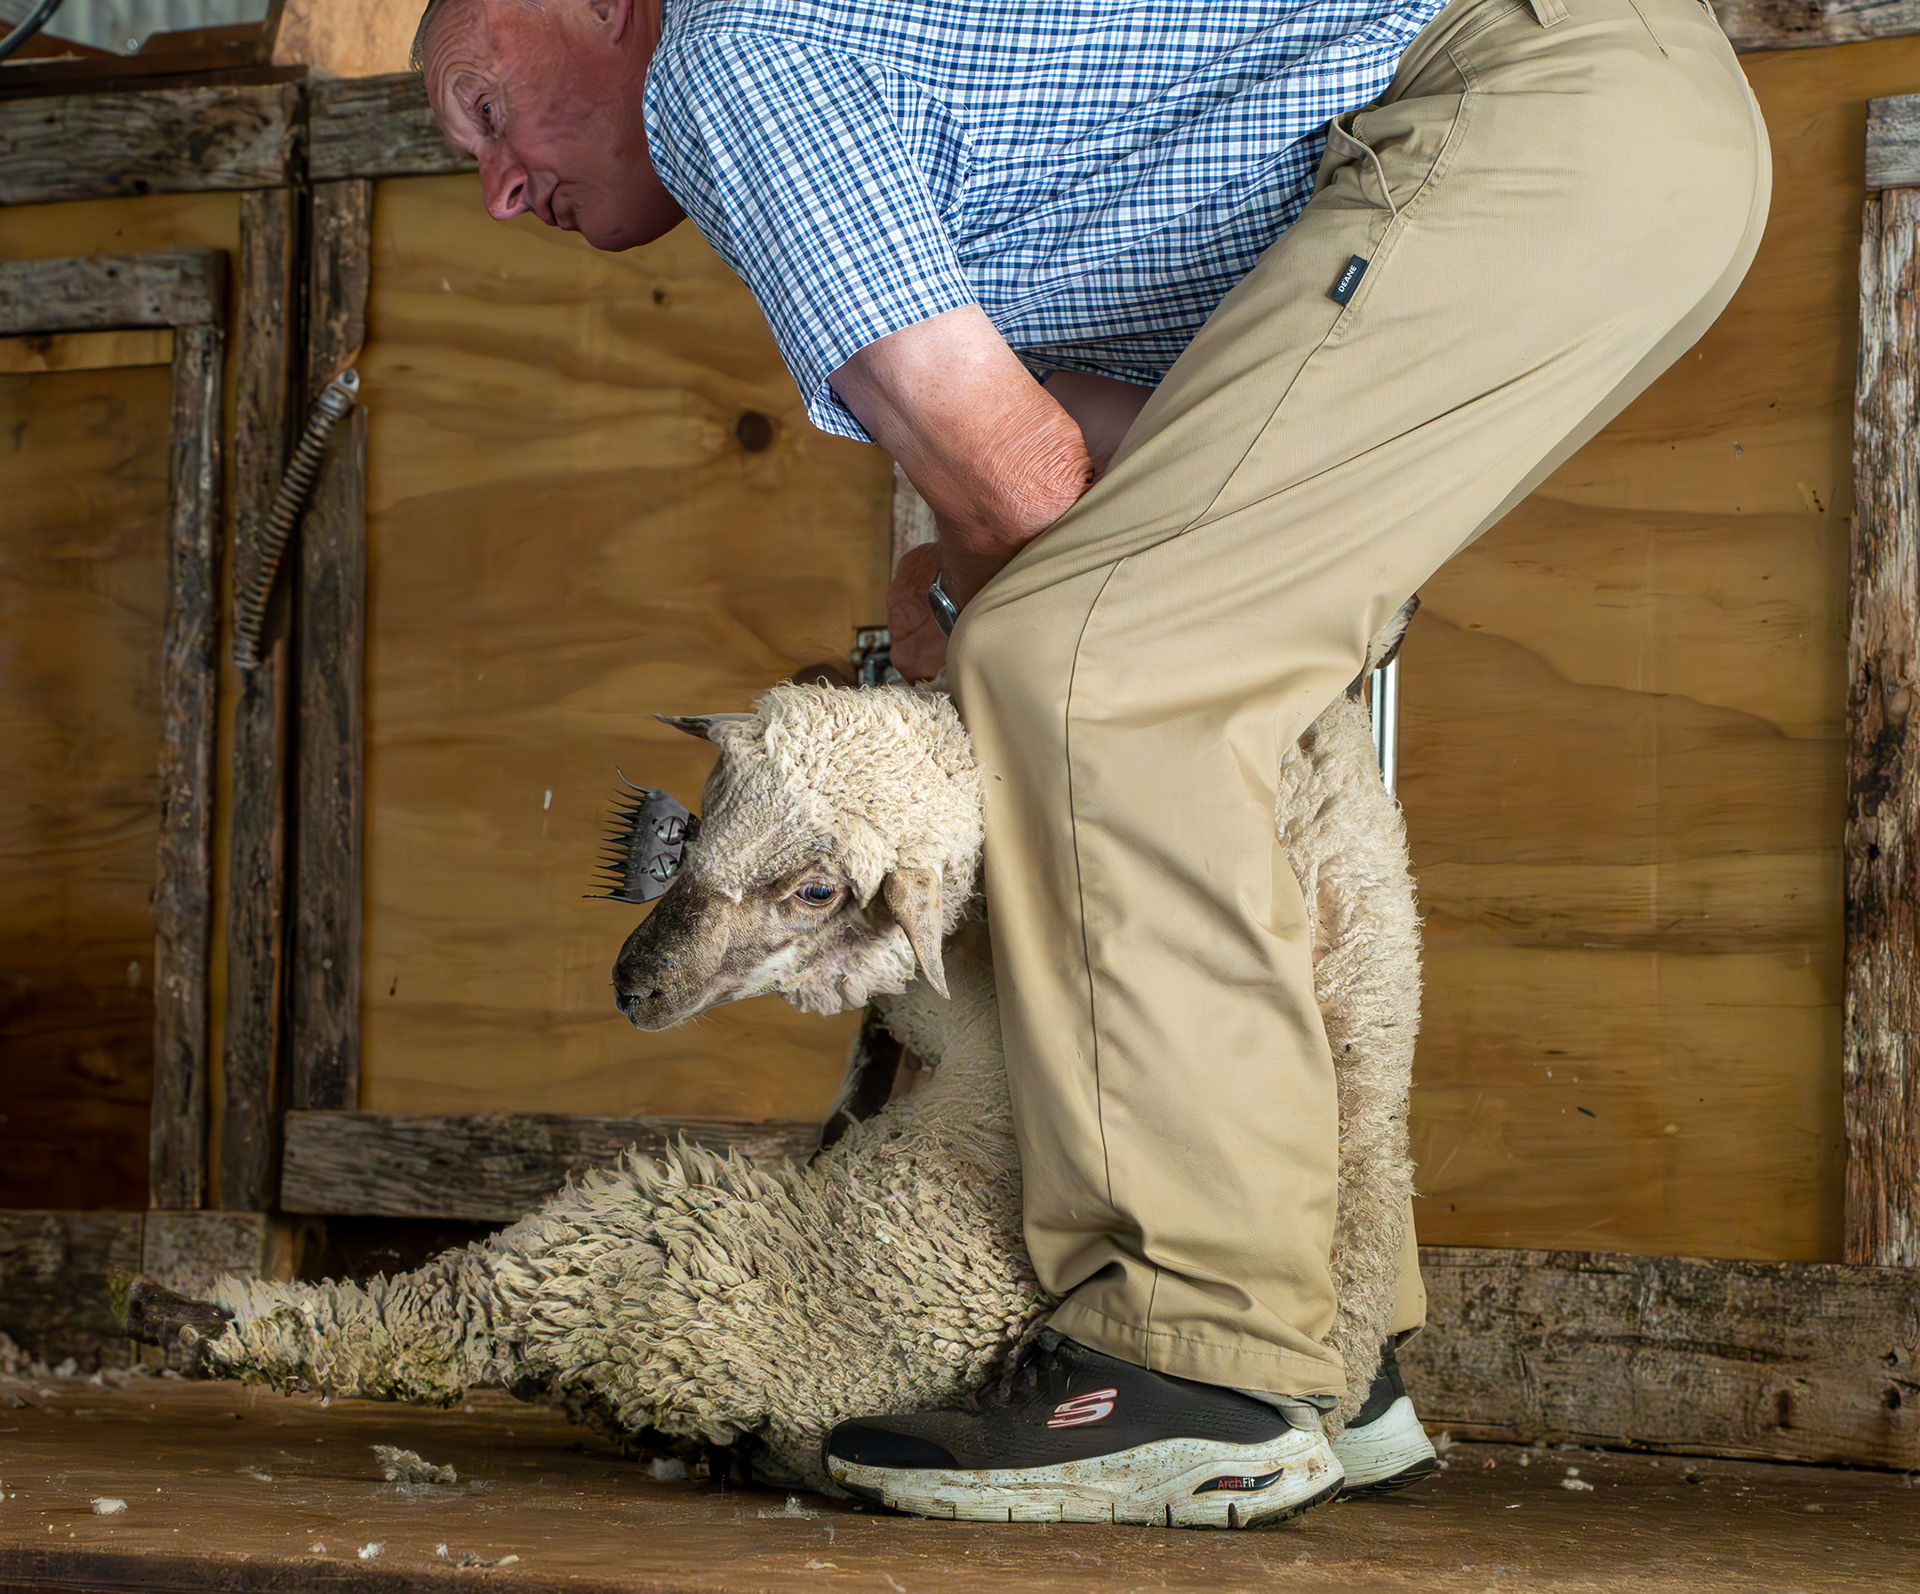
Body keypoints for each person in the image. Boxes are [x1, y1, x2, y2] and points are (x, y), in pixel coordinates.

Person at [415, 0, 1769, 1528]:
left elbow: (1023, 480)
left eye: (485, 108)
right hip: (1606, 129)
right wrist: (962, 602)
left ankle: (1198, 1354)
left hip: (1528, 105)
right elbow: (1120, 458)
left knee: (1090, 671)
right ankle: (1328, 1351)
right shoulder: (854, 83)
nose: (496, 189)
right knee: (1156, 664)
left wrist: (973, 650)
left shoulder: (728, 57)